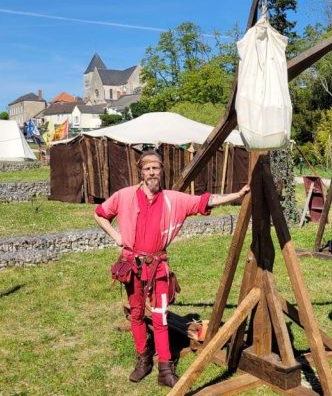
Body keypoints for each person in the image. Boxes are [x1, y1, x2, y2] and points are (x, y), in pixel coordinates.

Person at [93, 150, 249, 388]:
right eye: (147, 168)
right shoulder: (124, 196)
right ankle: (143, 359)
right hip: (133, 265)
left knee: (160, 315)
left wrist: (236, 195)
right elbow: (100, 214)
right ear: (141, 172)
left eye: (155, 168)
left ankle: (165, 367)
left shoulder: (172, 199)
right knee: (136, 313)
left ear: (161, 171)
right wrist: (116, 235)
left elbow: (205, 201)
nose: (152, 172)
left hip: (158, 268)